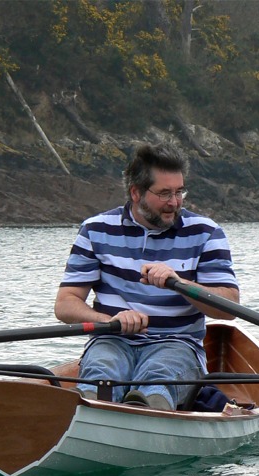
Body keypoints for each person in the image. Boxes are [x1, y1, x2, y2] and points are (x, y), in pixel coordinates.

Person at [54, 142, 240, 410]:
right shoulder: (95, 230)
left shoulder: (206, 233)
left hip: (176, 344)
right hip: (111, 340)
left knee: (159, 378)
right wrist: (109, 320)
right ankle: (91, 411)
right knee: (101, 375)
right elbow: (65, 304)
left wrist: (181, 284)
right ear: (136, 193)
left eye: (179, 192)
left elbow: (229, 307)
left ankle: (149, 409)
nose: (174, 203)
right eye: (164, 193)